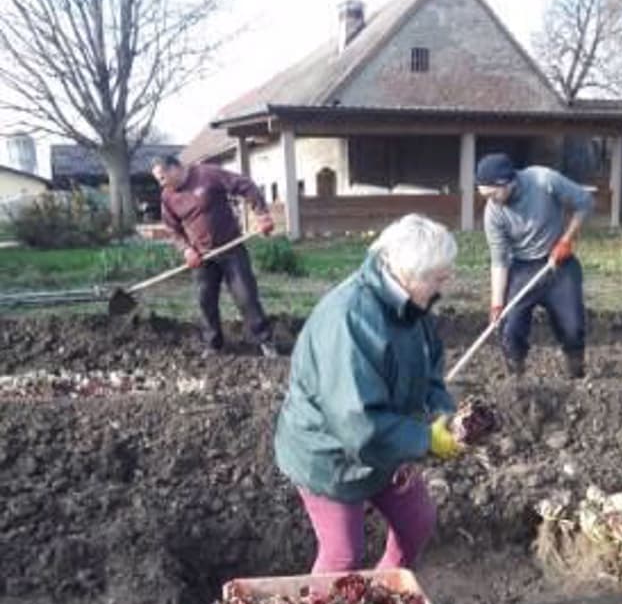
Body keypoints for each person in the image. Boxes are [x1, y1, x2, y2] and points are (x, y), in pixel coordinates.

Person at [274, 214, 465, 574]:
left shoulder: (413, 306)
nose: (446, 284)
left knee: (416, 522)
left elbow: (431, 368)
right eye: (439, 277)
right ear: (410, 274)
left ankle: (385, 588)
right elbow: (355, 421)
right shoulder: (350, 320)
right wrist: (424, 440)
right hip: (330, 454)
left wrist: (443, 418)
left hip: (387, 443)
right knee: (343, 555)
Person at [476, 152, 594, 378]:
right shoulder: (493, 214)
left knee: (572, 327)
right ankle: (516, 382)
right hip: (522, 268)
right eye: (486, 196)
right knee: (510, 330)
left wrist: (566, 240)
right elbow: (499, 260)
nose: (491, 201)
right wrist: (496, 305)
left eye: (493, 194)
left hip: (560, 264)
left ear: (507, 182)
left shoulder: (544, 180)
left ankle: (576, 375)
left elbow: (584, 203)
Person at [151, 154, 277, 358]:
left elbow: (245, 185)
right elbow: (172, 229)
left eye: (162, 178)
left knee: (245, 296)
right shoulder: (168, 197)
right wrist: (186, 249)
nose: (161, 183)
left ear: (174, 168)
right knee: (205, 299)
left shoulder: (206, 174)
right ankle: (213, 344)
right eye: (158, 180)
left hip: (231, 248)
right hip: (202, 257)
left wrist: (261, 213)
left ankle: (264, 340)